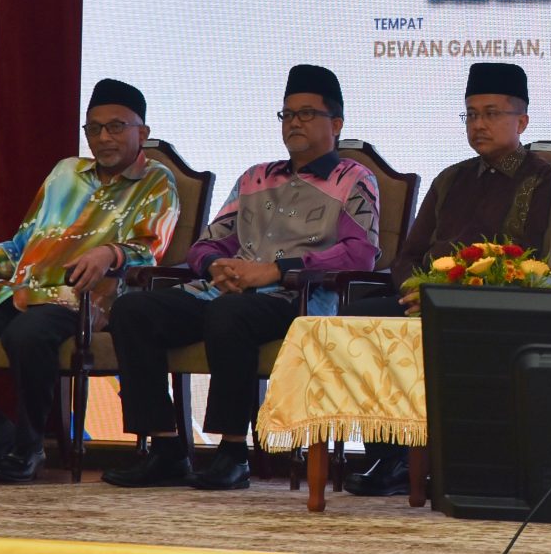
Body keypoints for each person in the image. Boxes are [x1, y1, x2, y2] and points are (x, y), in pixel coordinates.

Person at [101, 64, 380, 490]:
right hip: (224, 291)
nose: (294, 123)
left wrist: (275, 270)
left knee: (230, 315)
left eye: (307, 114)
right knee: (132, 309)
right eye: (288, 114)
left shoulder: (354, 179)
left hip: (296, 300)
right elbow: (207, 243)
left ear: (336, 123)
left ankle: (233, 452)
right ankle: (166, 448)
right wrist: (217, 266)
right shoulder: (255, 177)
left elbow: (359, 254)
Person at [0, 79, 179, 483]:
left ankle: (29, 447)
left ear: (143, 132)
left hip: (79, 299)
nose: (104, 137)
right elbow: (20, 247)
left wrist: (109, 253)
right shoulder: (66, 172)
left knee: (27, 335)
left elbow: (149, 251)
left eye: (116, 126)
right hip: (16, 292)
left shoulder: (156, 181)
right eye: (94, 128)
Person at [342, 60, 551, 496]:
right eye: (471, 114)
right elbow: (409, 255)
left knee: (464, 328)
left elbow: (536, 258)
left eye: (491, 113)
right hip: (427, 297)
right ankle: (389, 457)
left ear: (522, 121)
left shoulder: (543, 179)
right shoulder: (451, 178)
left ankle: (466, 460)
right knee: (360, 319)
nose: (478, 124)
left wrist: (451, 295)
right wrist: (417, 291)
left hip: (493, 303)